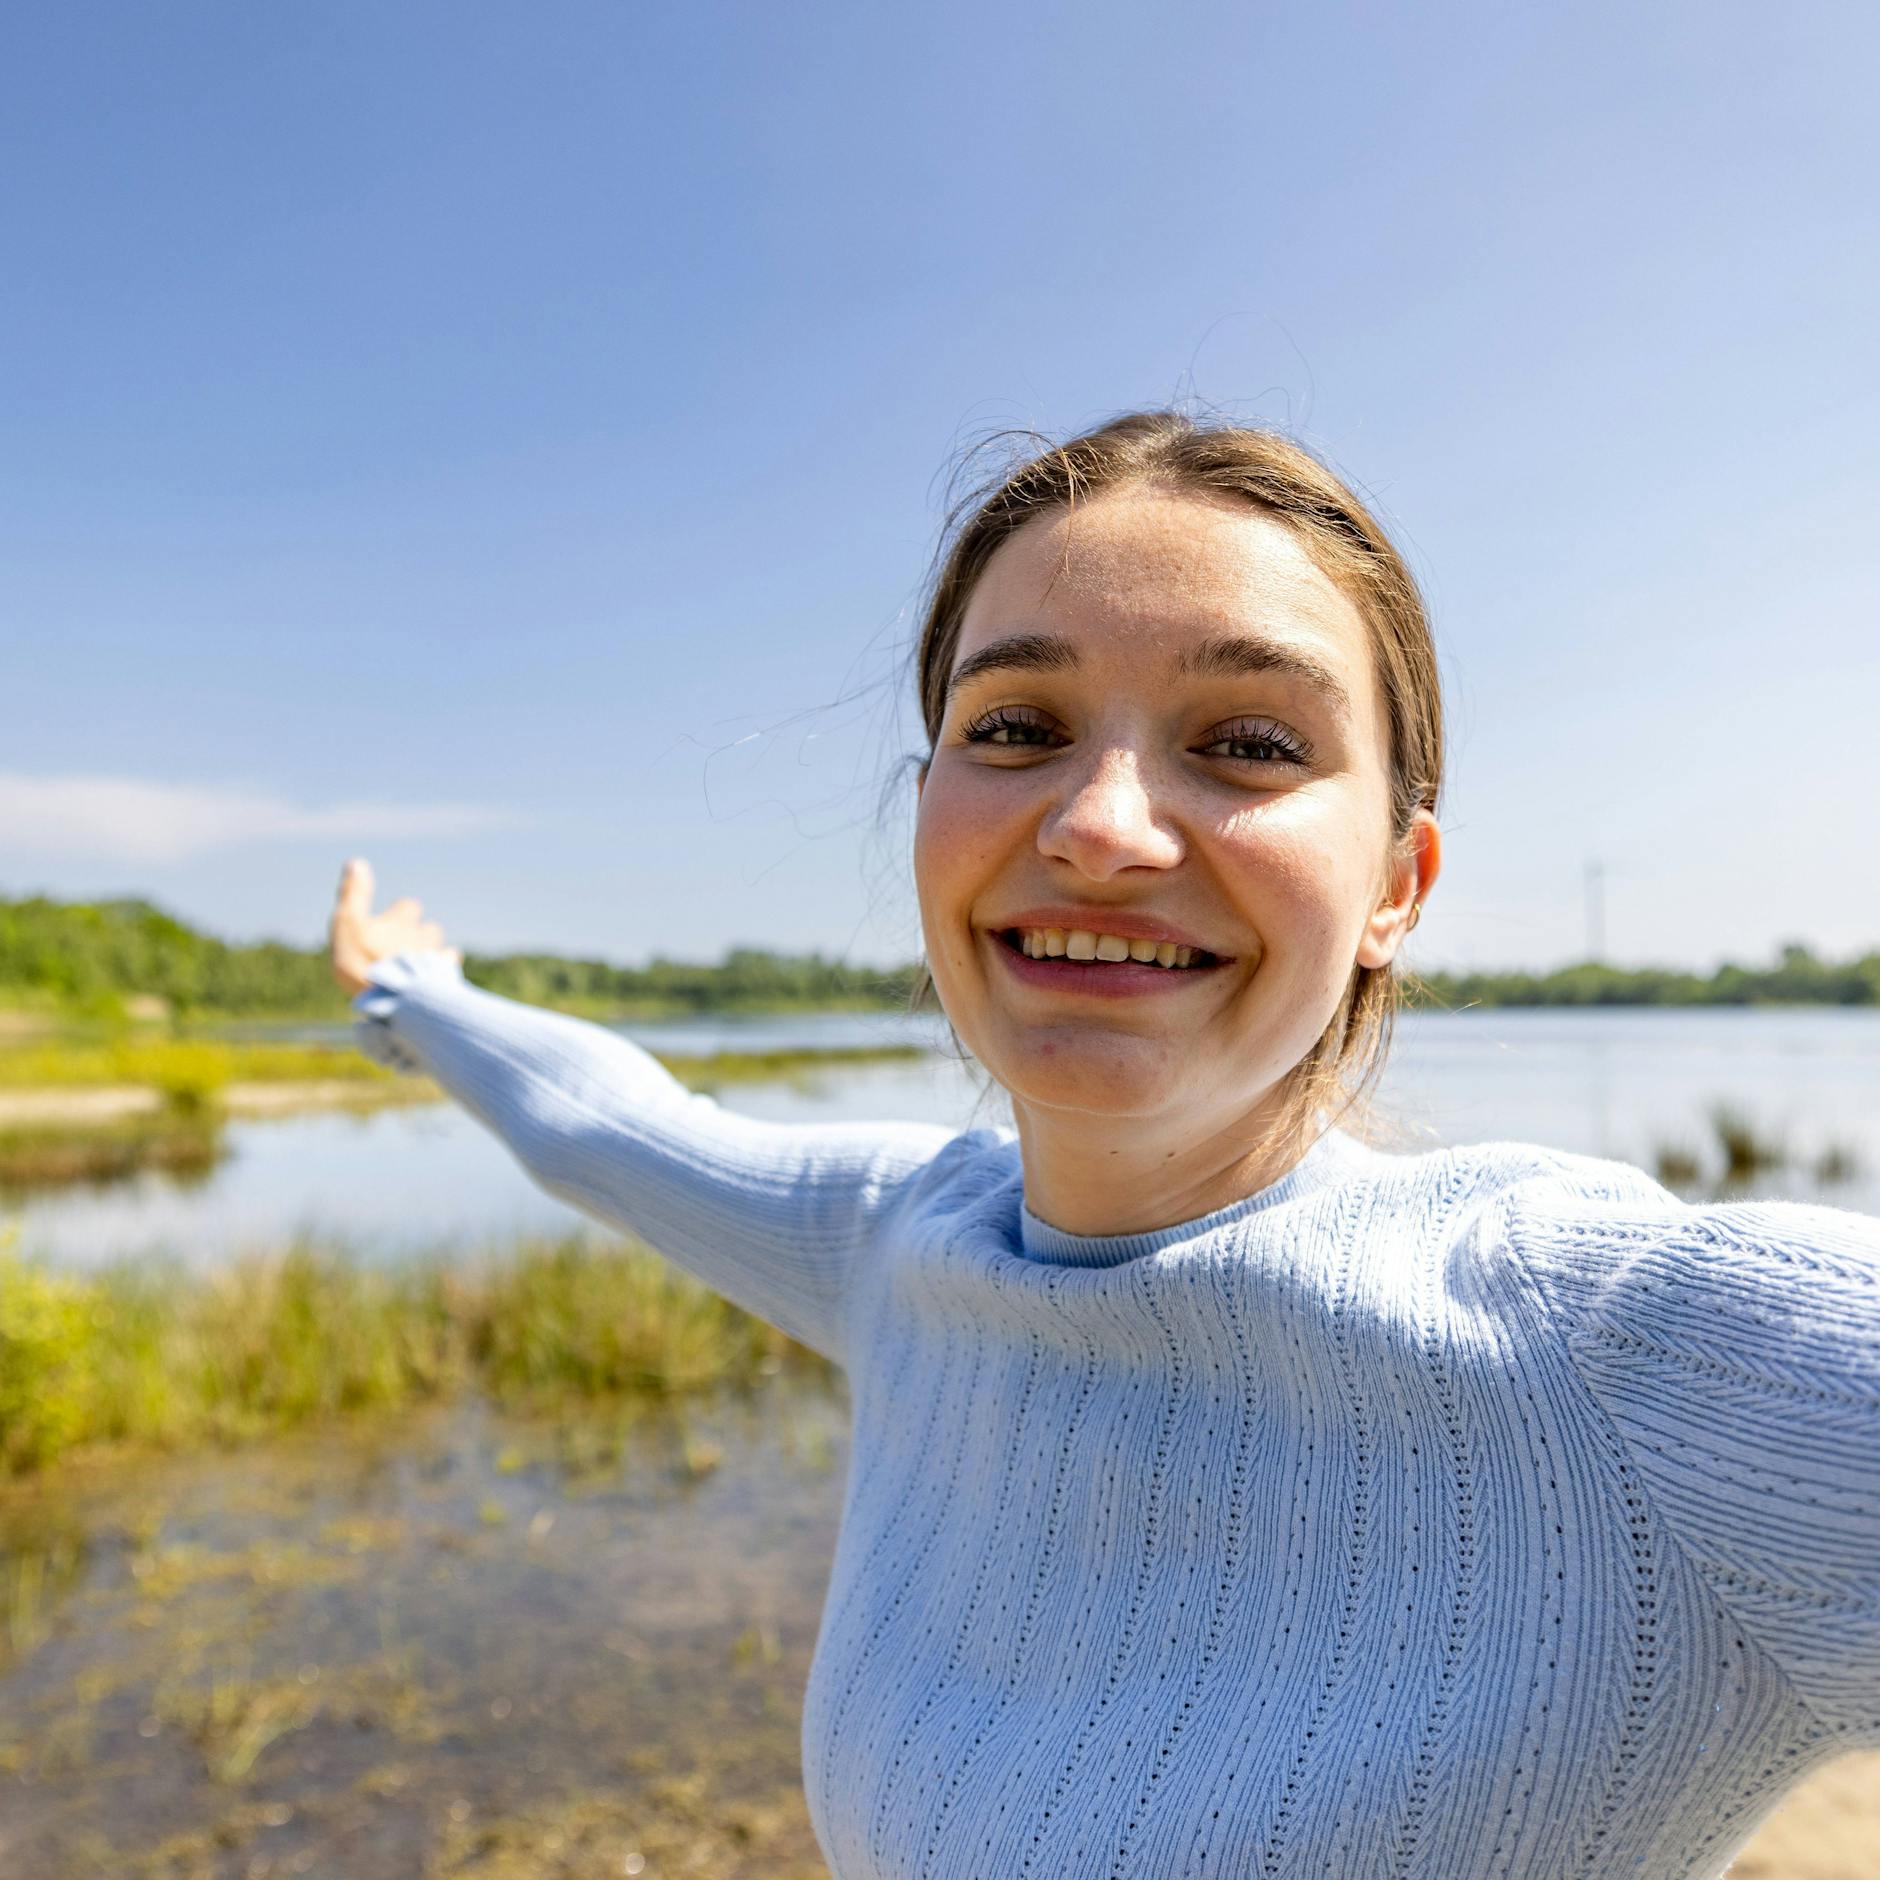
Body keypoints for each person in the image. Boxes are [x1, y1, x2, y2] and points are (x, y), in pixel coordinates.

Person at [328, 410, 1880, 1880]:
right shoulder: (900, 1242)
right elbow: (616, 1129)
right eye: (1015, 725)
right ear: (926, 807)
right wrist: (411, 991)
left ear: (1398, 888)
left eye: (1251, 741)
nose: (1100, 826)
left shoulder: (1637, 1368)